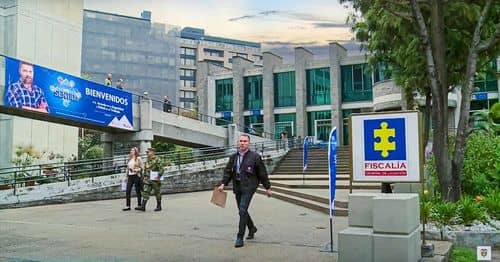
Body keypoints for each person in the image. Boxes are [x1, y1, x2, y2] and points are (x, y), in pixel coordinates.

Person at [217, 134, 272, 248]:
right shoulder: (233, 157)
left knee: (242, 210)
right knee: (242, 210)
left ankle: (239, 237)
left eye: (245, 141)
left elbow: (262, 173)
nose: (242, 143)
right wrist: (223, 184)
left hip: (249, 187)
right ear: (238, 143)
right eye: (241, 141)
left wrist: (268, 188)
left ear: (249, 143)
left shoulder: (255, 157)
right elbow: (228, 171)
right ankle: (252, 228)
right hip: (237, 186)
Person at [137, 147, 164, 212]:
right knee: (145, 192)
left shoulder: (157, 159)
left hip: (155, 179)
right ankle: (143, 206)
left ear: (152, 152)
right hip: (147, 179)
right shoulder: (147, 160)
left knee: (157, 192)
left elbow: (161, 169)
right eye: (147, 152)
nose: (147, 153)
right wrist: (144, 176)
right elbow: (146, 169)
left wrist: (159, 176)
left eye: (148, 152)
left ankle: (159, 206)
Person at [123, 147, 143, 211]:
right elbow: (127, 168)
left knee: (138, 191)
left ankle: (139, 205)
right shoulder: (129, 159)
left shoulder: (138, 158)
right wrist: (126, 176)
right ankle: (128, 206)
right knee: (128, 190)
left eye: (133, 150)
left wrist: (136, 170)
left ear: (136, 151)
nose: (131, 151)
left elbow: (142, 167)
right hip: (130, 176)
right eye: (131, 150)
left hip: (136, 175)